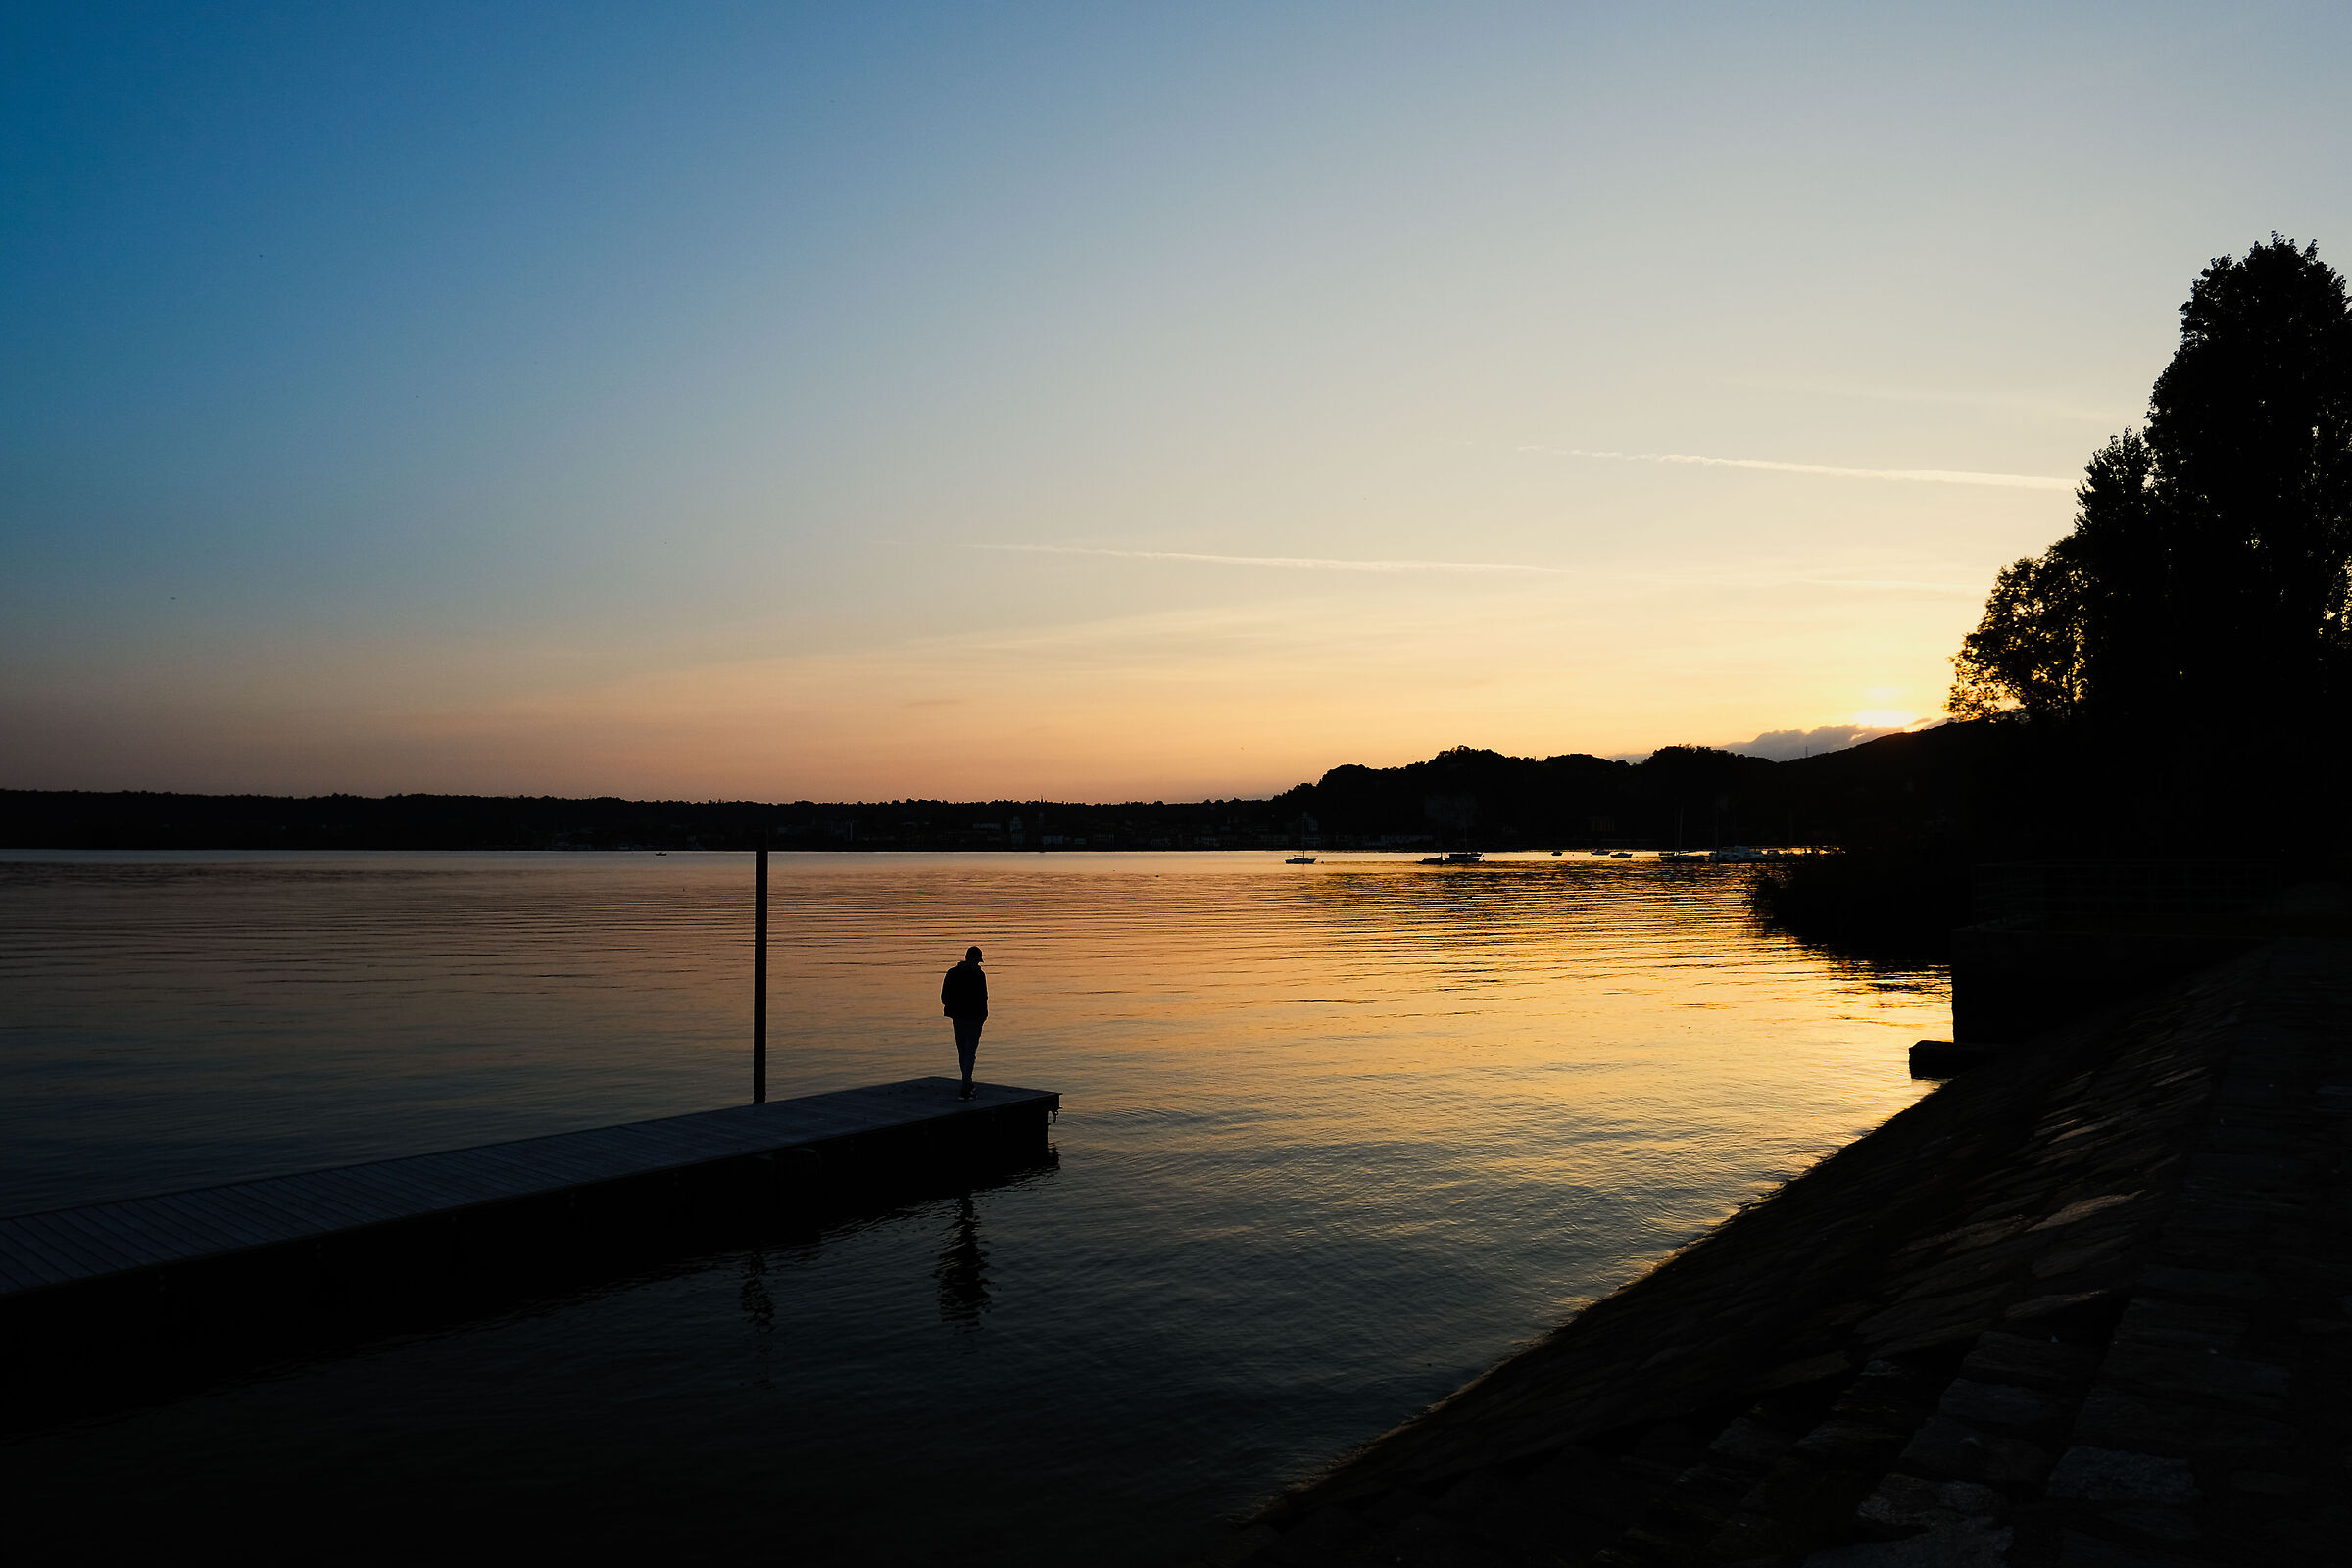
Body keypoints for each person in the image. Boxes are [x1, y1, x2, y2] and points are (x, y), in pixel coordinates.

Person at [941, 946, 988, 1100]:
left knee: (963, 1051)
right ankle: (966, 1086)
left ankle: (967, 1082)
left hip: (958, 1018)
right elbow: (983, 998)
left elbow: (944, 998)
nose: (978, 964)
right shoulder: (979, 975)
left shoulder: (952, 973)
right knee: (970, 1052)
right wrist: (983, 1015)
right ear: (976, 960)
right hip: (974, 1019)